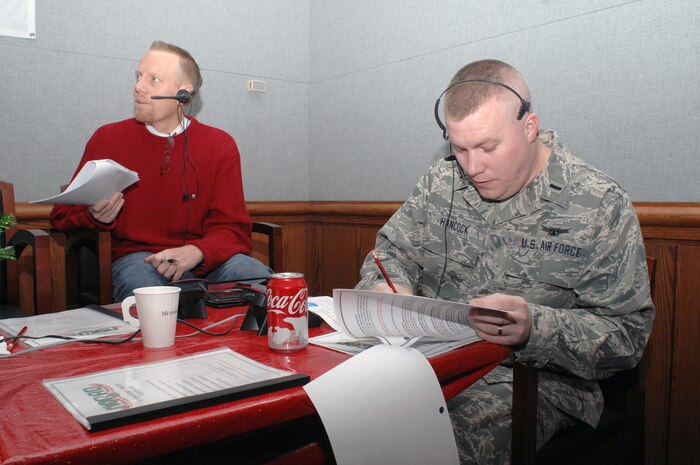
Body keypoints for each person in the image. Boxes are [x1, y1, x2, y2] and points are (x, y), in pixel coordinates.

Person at [355, 59, 654, 464]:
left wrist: (536, 327)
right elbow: (390, 253)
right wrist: (388, 291)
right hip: (431, 363)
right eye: (459, 148)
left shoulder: (598, 203)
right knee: (336, 419)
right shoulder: (442, 183)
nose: (472, 167)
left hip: (533, 382)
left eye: (488, 147)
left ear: (529, 127)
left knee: (427, 446)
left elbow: (627, 336)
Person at [51, 40, 271, 302]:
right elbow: (60, 216)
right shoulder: (107, 138)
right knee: (149, 295)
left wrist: (197, 251)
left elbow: (232, 228)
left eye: (153, 79)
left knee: (260, 281)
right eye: (138, 76)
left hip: (205, 259)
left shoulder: (220, 145)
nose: (138, 87)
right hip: (138, 260)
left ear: (183, 95)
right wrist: (93, 214)